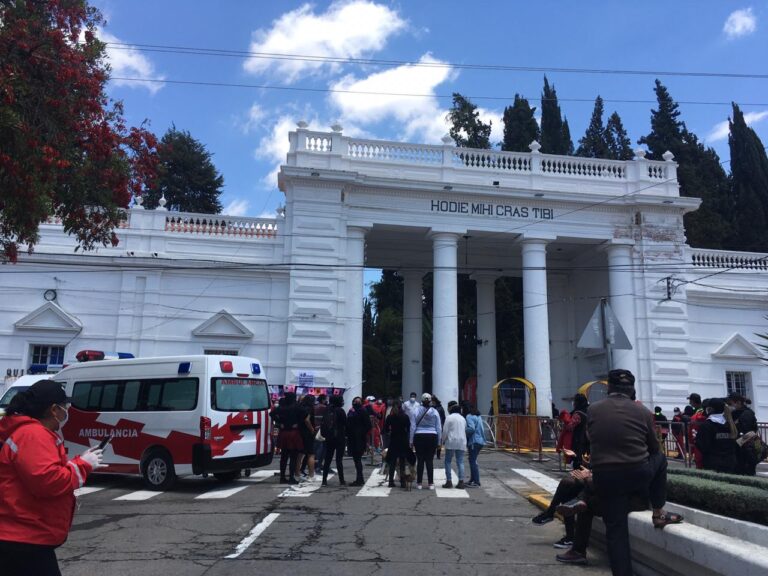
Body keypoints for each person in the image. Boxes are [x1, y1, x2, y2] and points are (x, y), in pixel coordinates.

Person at [0, 380, 104, 576]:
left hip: (20, 535)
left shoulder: (28, 432)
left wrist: (79, 461)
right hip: (25, 538)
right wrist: (84, 465)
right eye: (65, 407)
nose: (67, 411)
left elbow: (42, 471)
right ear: (54, 410)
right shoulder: (33, 435)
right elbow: (48, 481)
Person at [587, 369, 659, 576]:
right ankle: (658, 508)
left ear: (608, 387)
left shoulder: (593, 409)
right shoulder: (644, 412)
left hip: (605, 475)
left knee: (615, 529)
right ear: (632, 390)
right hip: (636, 474)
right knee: (660, 459)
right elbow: (654, 449)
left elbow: (591, 437)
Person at [695, 398, 737, 474]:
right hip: (729, 462)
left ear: (710, 409)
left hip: (712, 463)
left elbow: (702, 445)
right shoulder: (730, 424)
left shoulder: (707, 425)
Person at [409, 392, 442, 489]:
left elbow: (412, 427)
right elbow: (439, 427)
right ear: (430, 401)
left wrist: (411, 440)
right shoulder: (435, 412)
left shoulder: (416, 411)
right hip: (432, 436)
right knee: (429, 460)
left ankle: (419, 483)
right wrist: (439, 442)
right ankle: (430, 483)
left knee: (420, 460)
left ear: (421, 401)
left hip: (419, 436)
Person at [271, 392, 304, 484]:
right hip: (294, 432)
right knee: (293, 456)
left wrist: (279, 422)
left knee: (284, 456)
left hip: (283, 431)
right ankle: (291, 477)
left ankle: (282, 477)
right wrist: (298, 423)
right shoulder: (297, 406)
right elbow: (305, 415)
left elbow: (272, 414)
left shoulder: (281, 407)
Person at [383, 400, 411, 488]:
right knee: (402, 462)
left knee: (392, 462)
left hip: (394, 440)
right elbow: (408, 428)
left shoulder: (390, 417)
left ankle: (391, 481)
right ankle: (402, 482)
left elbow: (386, 429)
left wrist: (391, 431)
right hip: (403, 441)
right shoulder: (405, 417)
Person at [321, 395, 347, 486]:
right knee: (339, 460)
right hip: (339, 437)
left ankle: (324, 480)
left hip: (329, 437)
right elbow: (345, 423)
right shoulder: (341, 411)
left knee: (327, 459)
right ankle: (342, 480)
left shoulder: (327, 409)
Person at [346, 397, 372, 486]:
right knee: (356, 459)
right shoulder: (351, 411)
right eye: (354, 401)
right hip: (352, 437)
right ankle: (359, 478)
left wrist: (361, 432)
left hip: (359, 438)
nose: (355, 402)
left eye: (357, 401)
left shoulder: (362, 411)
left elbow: (368, 425)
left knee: (357, 459)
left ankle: (360, 479)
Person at [441, 403, 467, 489]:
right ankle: (461, 481)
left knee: (448, 461)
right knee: (460, 461)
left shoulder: (449, 418)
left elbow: (445, 431)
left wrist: (442, 440)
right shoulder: (463, 418)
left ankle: (449, 481)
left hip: (451, 441)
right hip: (461, 441)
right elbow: (465, 429)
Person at [464, 404, 486, 487]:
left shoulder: (469, 416)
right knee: (472, 459)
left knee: (473, 461)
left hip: (474, 441)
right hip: (480, 441)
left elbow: (472, 429)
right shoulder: (478, 416)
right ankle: (472, 480)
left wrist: (463, 430)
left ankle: (476, 482)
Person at [297, 394, 316, 481]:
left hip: (299, 432)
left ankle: (297, 473)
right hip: (307, 433)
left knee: (300, 454)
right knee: (311, 454)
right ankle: (311, 475)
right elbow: (307, 420)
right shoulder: (310, 409)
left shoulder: (299, 408)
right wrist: (312, 429)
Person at [313, 394, 328, 473]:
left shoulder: (315, 407)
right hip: (320, 429)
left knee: (317, 447)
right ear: (323, 400)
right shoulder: (323, 407)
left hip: (315, 429)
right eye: (325, 399)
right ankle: (318, 465)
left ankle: (317, 464)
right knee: (320, 448)